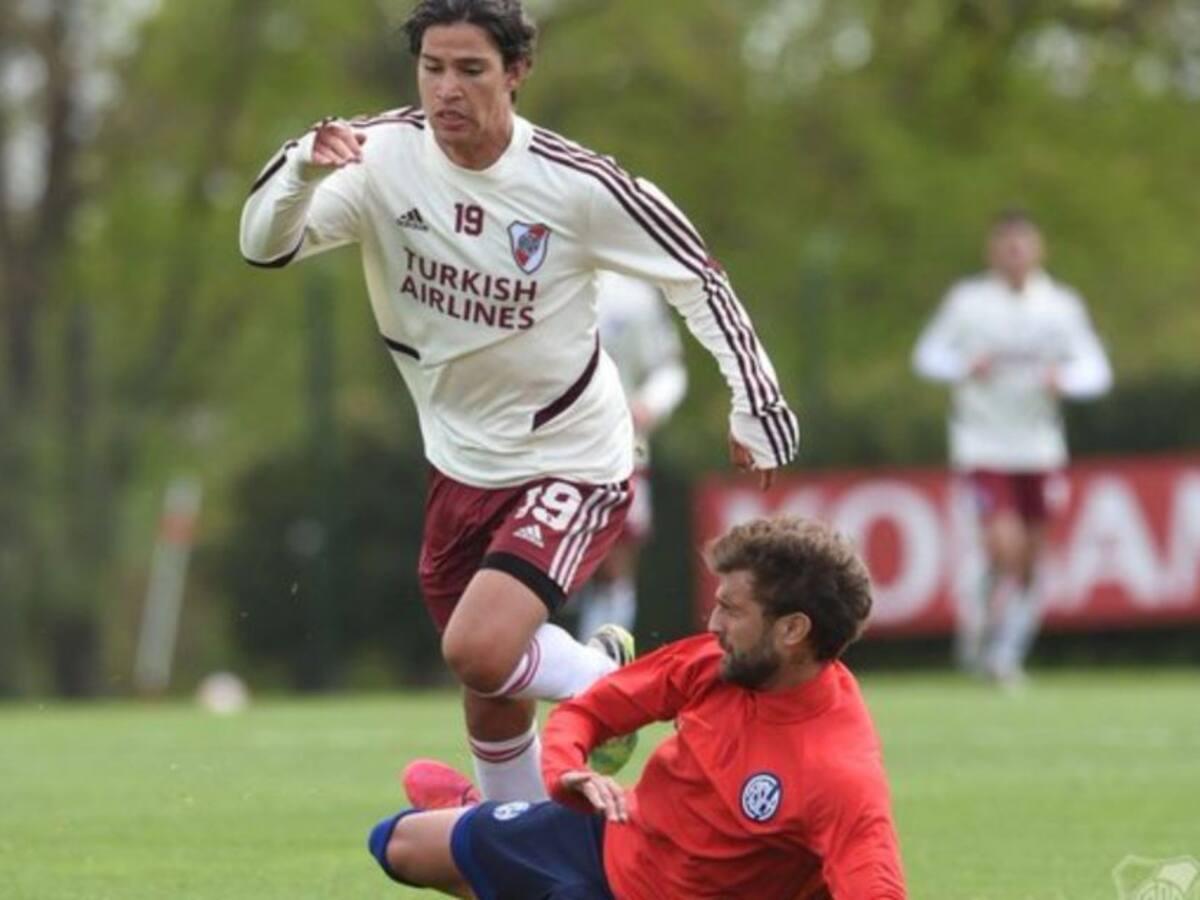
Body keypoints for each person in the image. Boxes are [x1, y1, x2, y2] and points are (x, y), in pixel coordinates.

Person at [239, 0, 798, 804]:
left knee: (478, 648)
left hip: (573, 456)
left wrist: (757, 405)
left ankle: (608, 681)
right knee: (492, 690)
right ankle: (517, 843)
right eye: (432, 68)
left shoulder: (575, 186)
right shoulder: (378, 157)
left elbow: (695, 274)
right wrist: (301, 170)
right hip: (458, 463)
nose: (447, 90)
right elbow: (264, 244)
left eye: (471, 69)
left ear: (518, 73)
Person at [367, 516, 907, 899]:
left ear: (792, 630)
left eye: (730, 610)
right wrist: (566, 774)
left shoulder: (839, 774)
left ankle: (486, 815)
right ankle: (501, 819)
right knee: (395, 844)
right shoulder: (716, 662)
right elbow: (586, 713)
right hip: (607, 835)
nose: (713, 624)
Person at [912, 210, 1112, 684]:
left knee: (1032, 557)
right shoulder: (968, 301)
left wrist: (1065, 379)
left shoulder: (1061, 306)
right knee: (1006, 546)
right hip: (982, 443)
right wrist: (964, 365)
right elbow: (928, 356)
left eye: (1023, 245)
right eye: (1006, 245)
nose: (1015, 254)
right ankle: (979, 631)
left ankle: (1005, 651)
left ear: (1039, 249)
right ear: (992, 251)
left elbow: (1096, 370)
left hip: (1040, 446)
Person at [573, 271, 688, 641]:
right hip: (539, 442)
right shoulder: (534, 274)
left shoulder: (633, 294)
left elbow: (668, 367)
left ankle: (603, 669)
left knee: (615, 558)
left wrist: (650, 404)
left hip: (618, 444)